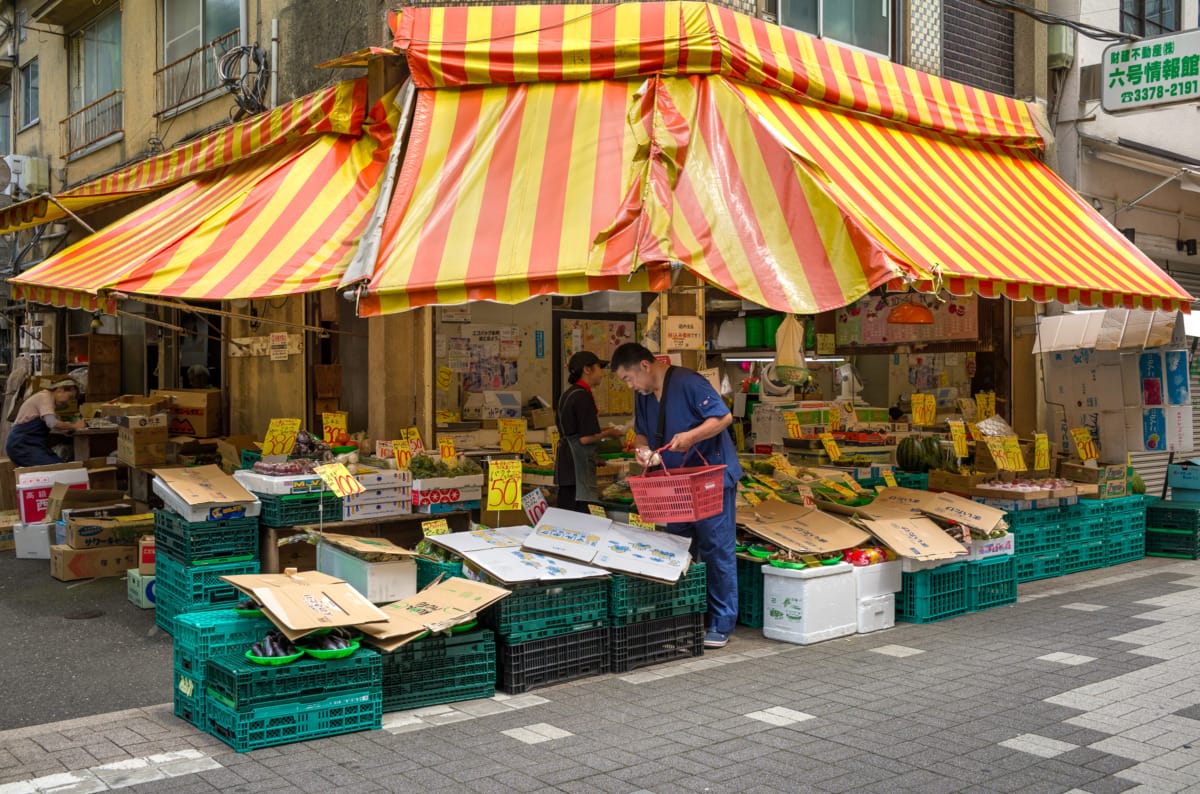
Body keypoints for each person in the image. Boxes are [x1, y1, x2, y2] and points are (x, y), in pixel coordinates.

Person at [611, 342, 743, 649]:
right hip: (676, 485)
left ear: (645, 366)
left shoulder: (688, 381)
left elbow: (723, 417)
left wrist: (692, 436)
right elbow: (642, 431)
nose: (629, 385)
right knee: (679, 548)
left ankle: (721, 622)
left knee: (715, 549)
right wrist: (642, 451)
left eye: (628, 378)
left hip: (711, 481)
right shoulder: (643, 395)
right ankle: (688, 616)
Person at [555, 352, 624, 511]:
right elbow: (585, 439)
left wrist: (604, 430)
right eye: (599, 368)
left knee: (567, 512)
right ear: (587, 369)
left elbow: (574, 430)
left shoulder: (568, 394)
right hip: (578, 467)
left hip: (567, 465)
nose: (601, 372)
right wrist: (609, 434)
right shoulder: (582, 396)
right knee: (581, 513)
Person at [5, 379, 86, 466]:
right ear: (60, 390)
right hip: (22, 445)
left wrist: (64, 429)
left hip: (32, 444)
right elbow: (52, 423)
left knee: (59, 465)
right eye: (69, 397)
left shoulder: (48, 400)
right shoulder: (45, 397)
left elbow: (49, 423)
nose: (68, 402)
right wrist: (75, 426)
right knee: (56, 468)